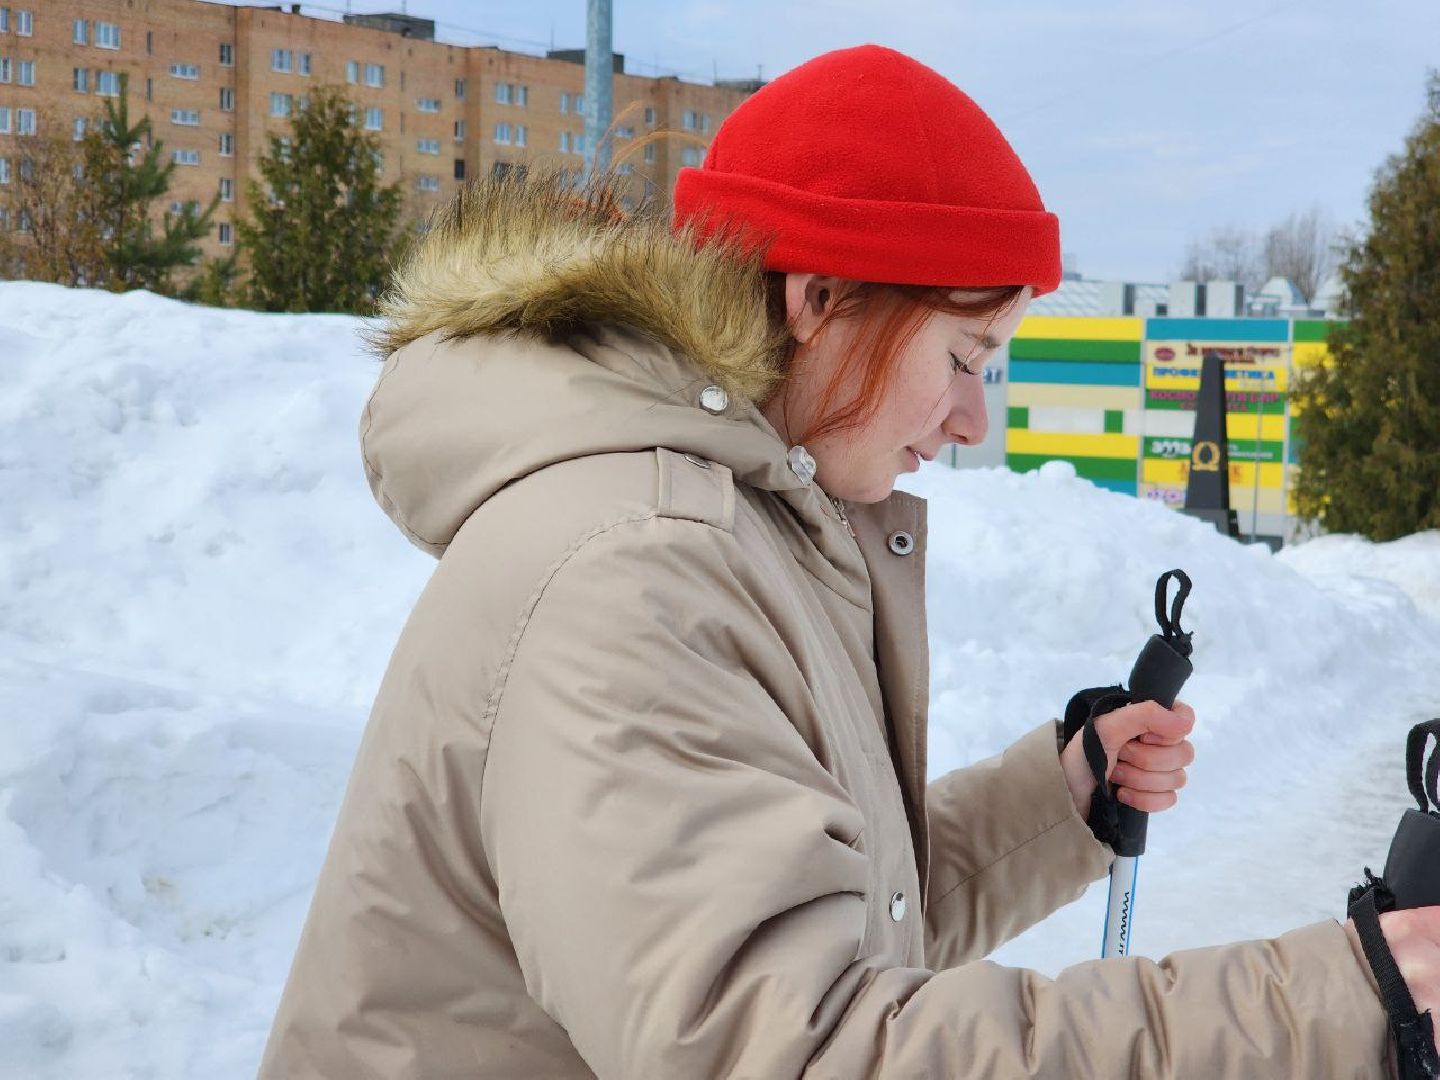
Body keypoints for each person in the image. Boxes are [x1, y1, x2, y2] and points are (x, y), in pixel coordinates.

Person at [260, 45, 1437, 1077]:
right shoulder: (631, 573)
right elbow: (799, 1049)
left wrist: (1055, 797)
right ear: (820, 298)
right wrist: (1341, 1005)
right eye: (968, 356)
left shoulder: (747, 520)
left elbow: (810, 925)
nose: (976, 422)